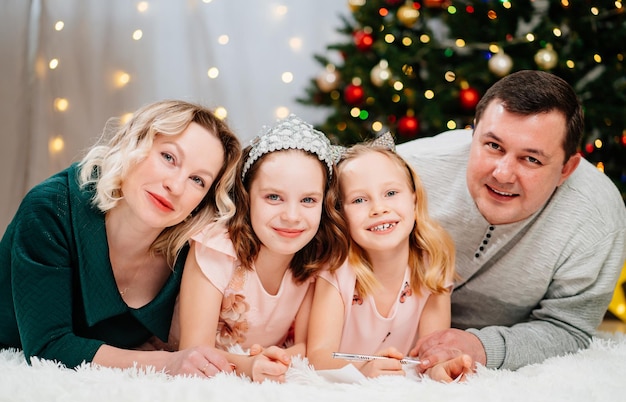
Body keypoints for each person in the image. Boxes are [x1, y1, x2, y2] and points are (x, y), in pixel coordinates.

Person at [395, 70, 626, 376]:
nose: (503, 174)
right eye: (493, 146)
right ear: (473, 133)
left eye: (531, 159)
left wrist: (482, 347)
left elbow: (568, 328)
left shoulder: (597, 218)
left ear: (566, 168)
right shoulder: (407, 169)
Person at [0, 99, 242, 378]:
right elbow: (47, 346)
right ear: (134, 144)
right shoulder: (51, 209)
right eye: (168, 157)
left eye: (198, 180)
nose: (175, 186)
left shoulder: (193, 247)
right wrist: (167, 364)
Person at [173, 114, 349, 382]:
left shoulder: (316, 256)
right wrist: (248, 364)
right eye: (274, 197)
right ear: (247, 197)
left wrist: (274, 358)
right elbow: (194, 349)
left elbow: (304, 346)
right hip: (189, 368)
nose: (291, 215)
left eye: (308, 200)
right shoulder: (215, 247)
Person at [306, 135, 472, 381]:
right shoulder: (336, 269)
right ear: (340, 214)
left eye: (391, 193)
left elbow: (430, 351)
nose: (378, 208)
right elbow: (318, 356)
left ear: (414, 200)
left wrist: (439, 369)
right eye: (359, 200)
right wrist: (362, 371)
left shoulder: (432, 265)